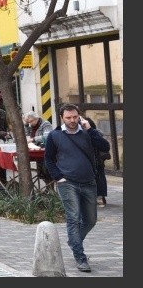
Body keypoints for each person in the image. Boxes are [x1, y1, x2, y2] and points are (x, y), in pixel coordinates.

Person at [44, 103, 110, 273]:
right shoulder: (55, 135)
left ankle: (74, 241)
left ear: (79, 116)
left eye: (75, 117)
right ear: (62, 118)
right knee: (73, 218)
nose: (72, 120)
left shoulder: (88, 132)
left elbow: (105, 147)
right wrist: (59, 177)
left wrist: (90, 130)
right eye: (68, 118)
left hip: (89, 181)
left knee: (90, 220)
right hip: (68, 183)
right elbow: (49, 159)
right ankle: (80, 257)